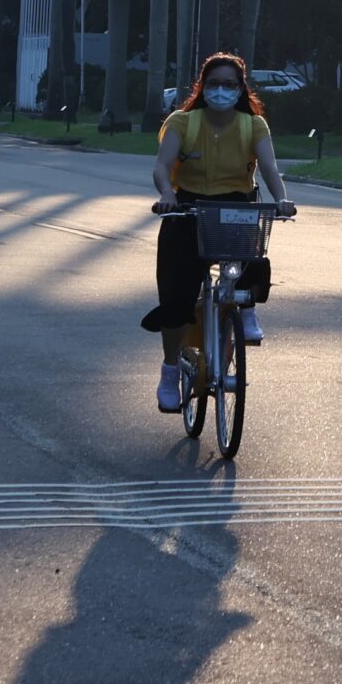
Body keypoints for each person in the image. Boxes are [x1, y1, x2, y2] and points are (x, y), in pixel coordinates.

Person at [146, 51, 294, 414]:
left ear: (241, 89)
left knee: (251, 258)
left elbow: (270, 168)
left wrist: (283, 200)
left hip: (235, 206)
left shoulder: (253, 126)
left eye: (229, 84)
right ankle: (169, 371)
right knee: (176, 295)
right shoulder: (183, 122)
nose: (221, 91)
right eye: (213, 84)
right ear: (202, 87)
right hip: (187, 209)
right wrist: (167, 194)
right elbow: (163, 167)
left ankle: (244, 310)